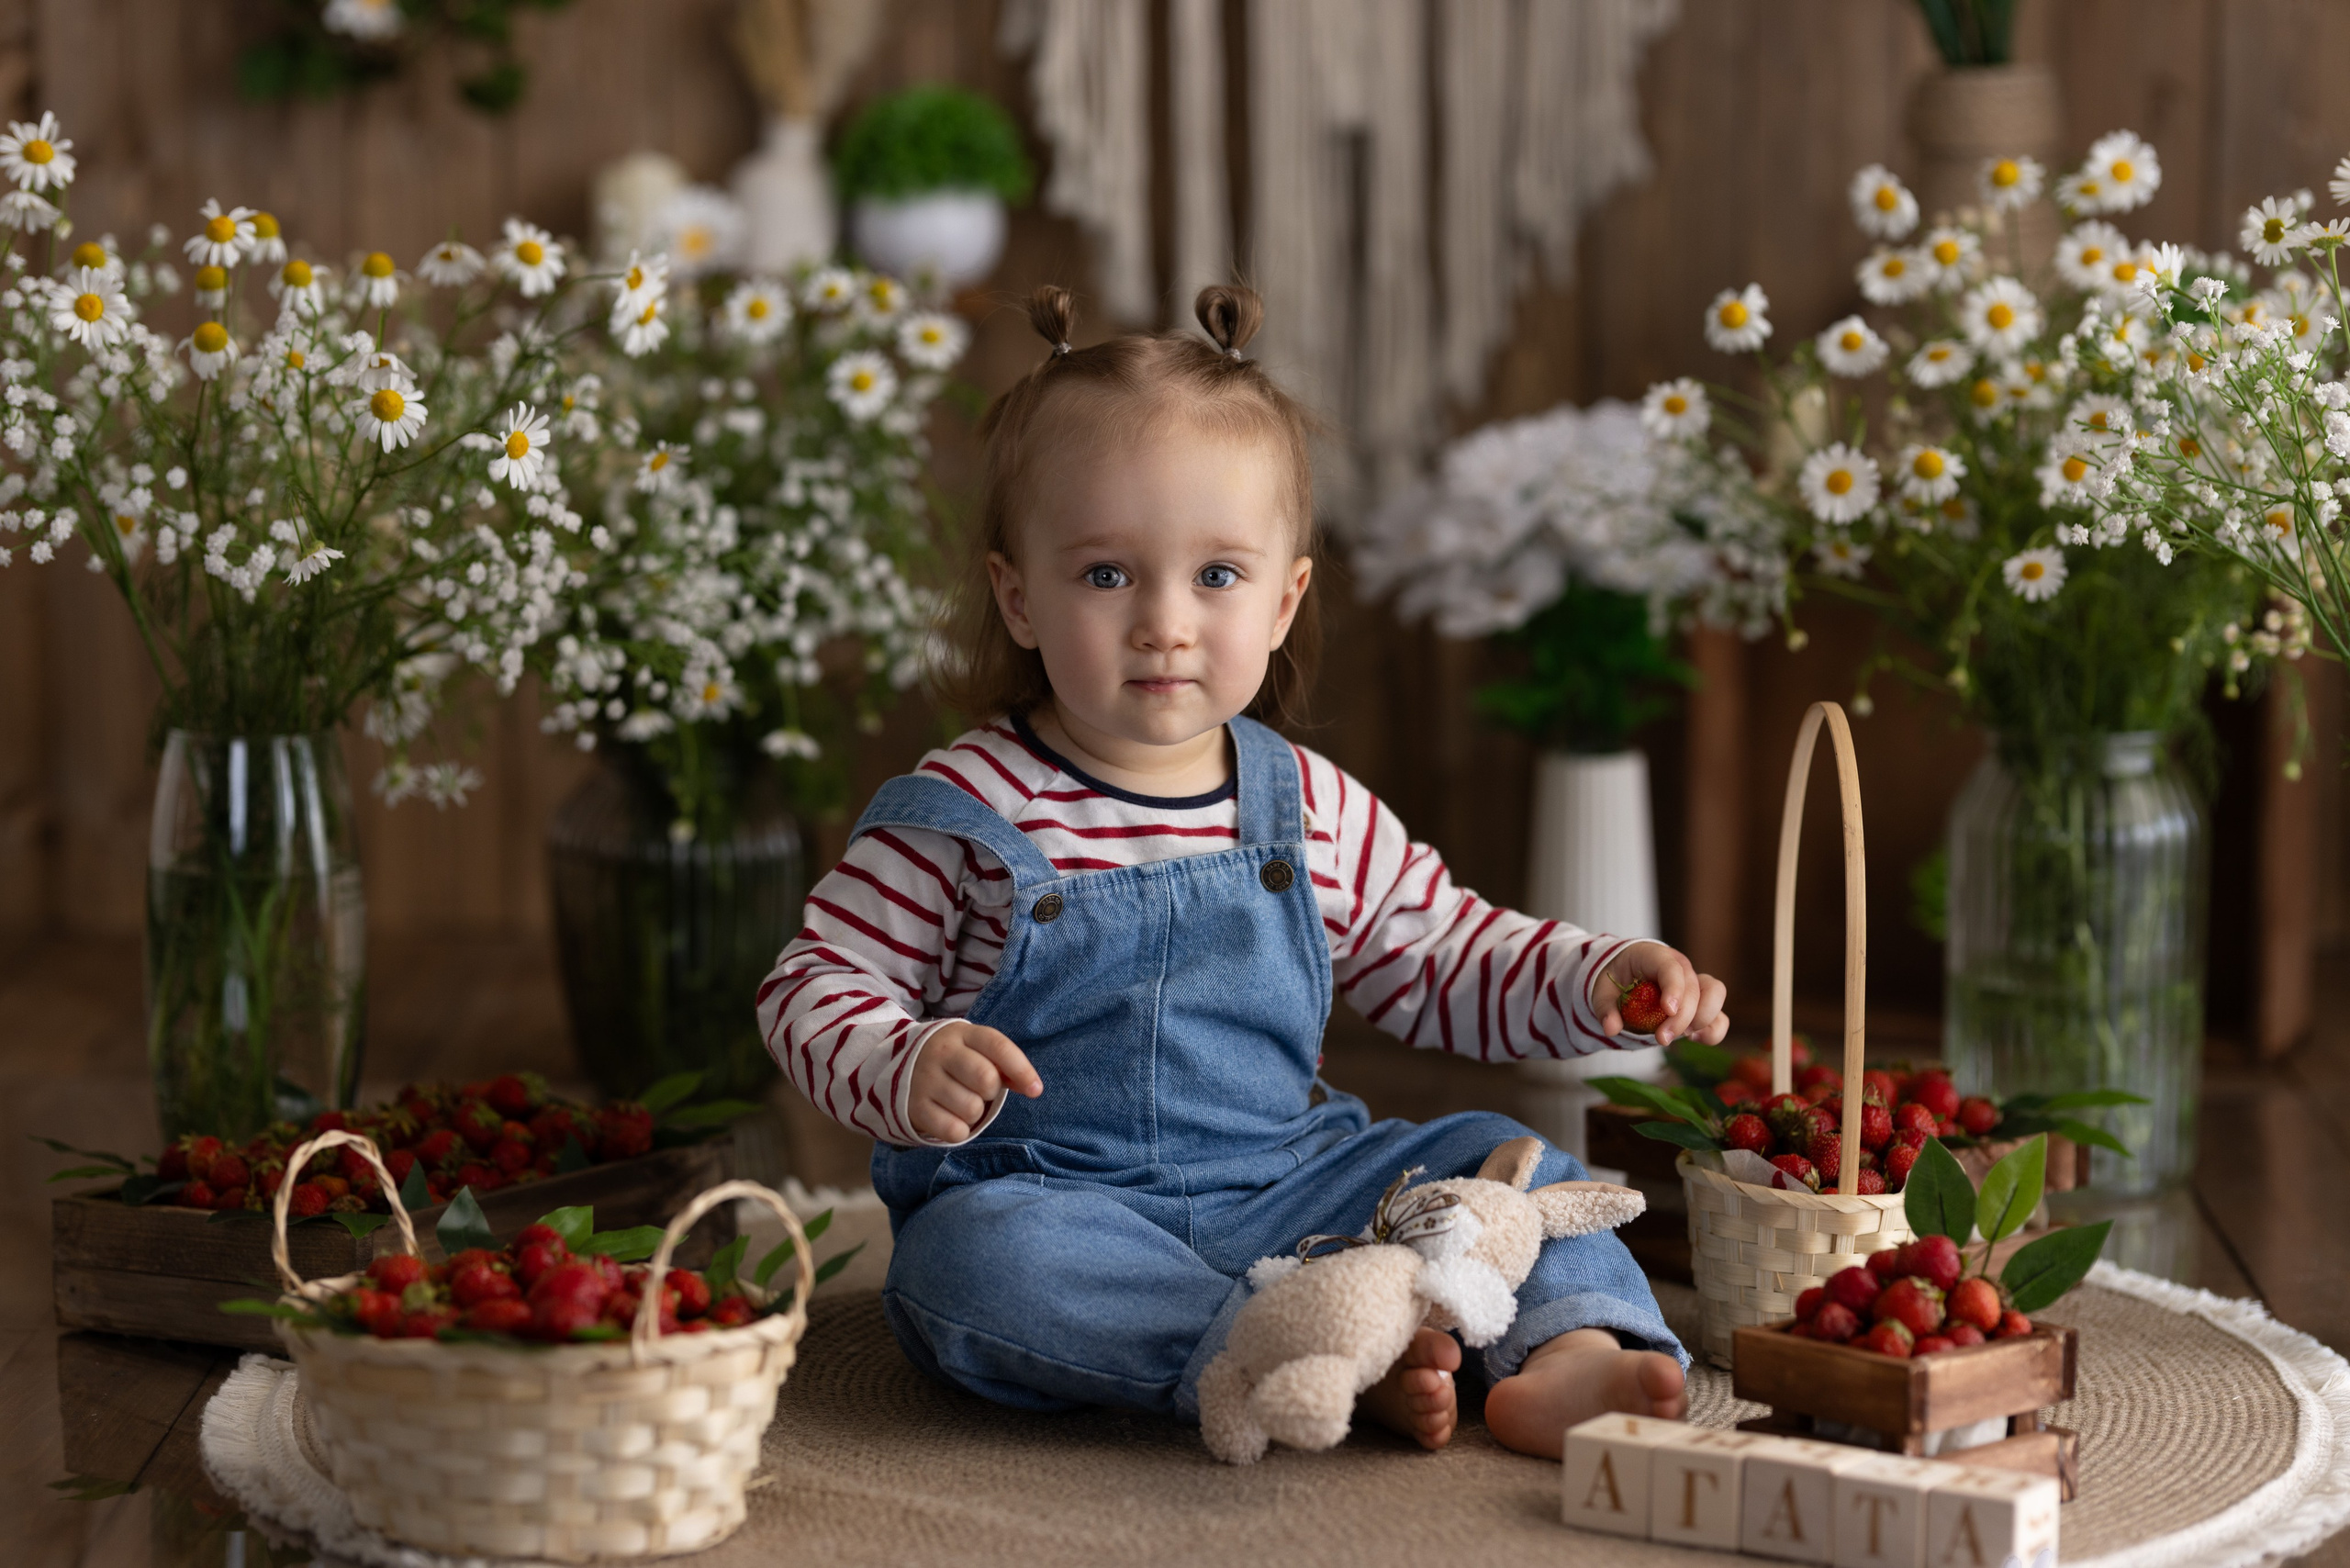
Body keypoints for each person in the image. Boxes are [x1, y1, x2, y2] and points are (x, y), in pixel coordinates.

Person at [755, 284, 1729, 1458]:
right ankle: (1279, 1347)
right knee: (971, 1271)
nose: (1164, 621)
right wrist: (901, 1060)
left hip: (1290, 1180)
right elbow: (812, 985)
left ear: (1284, 598)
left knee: (1513, 1164)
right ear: (1018, 595)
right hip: (1059, 1198)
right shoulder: (963, 811)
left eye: (1216, 575)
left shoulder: (1305, 803)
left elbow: (1443, 949)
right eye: (1107, 575)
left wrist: (1594, 973)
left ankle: (1569, 1354)